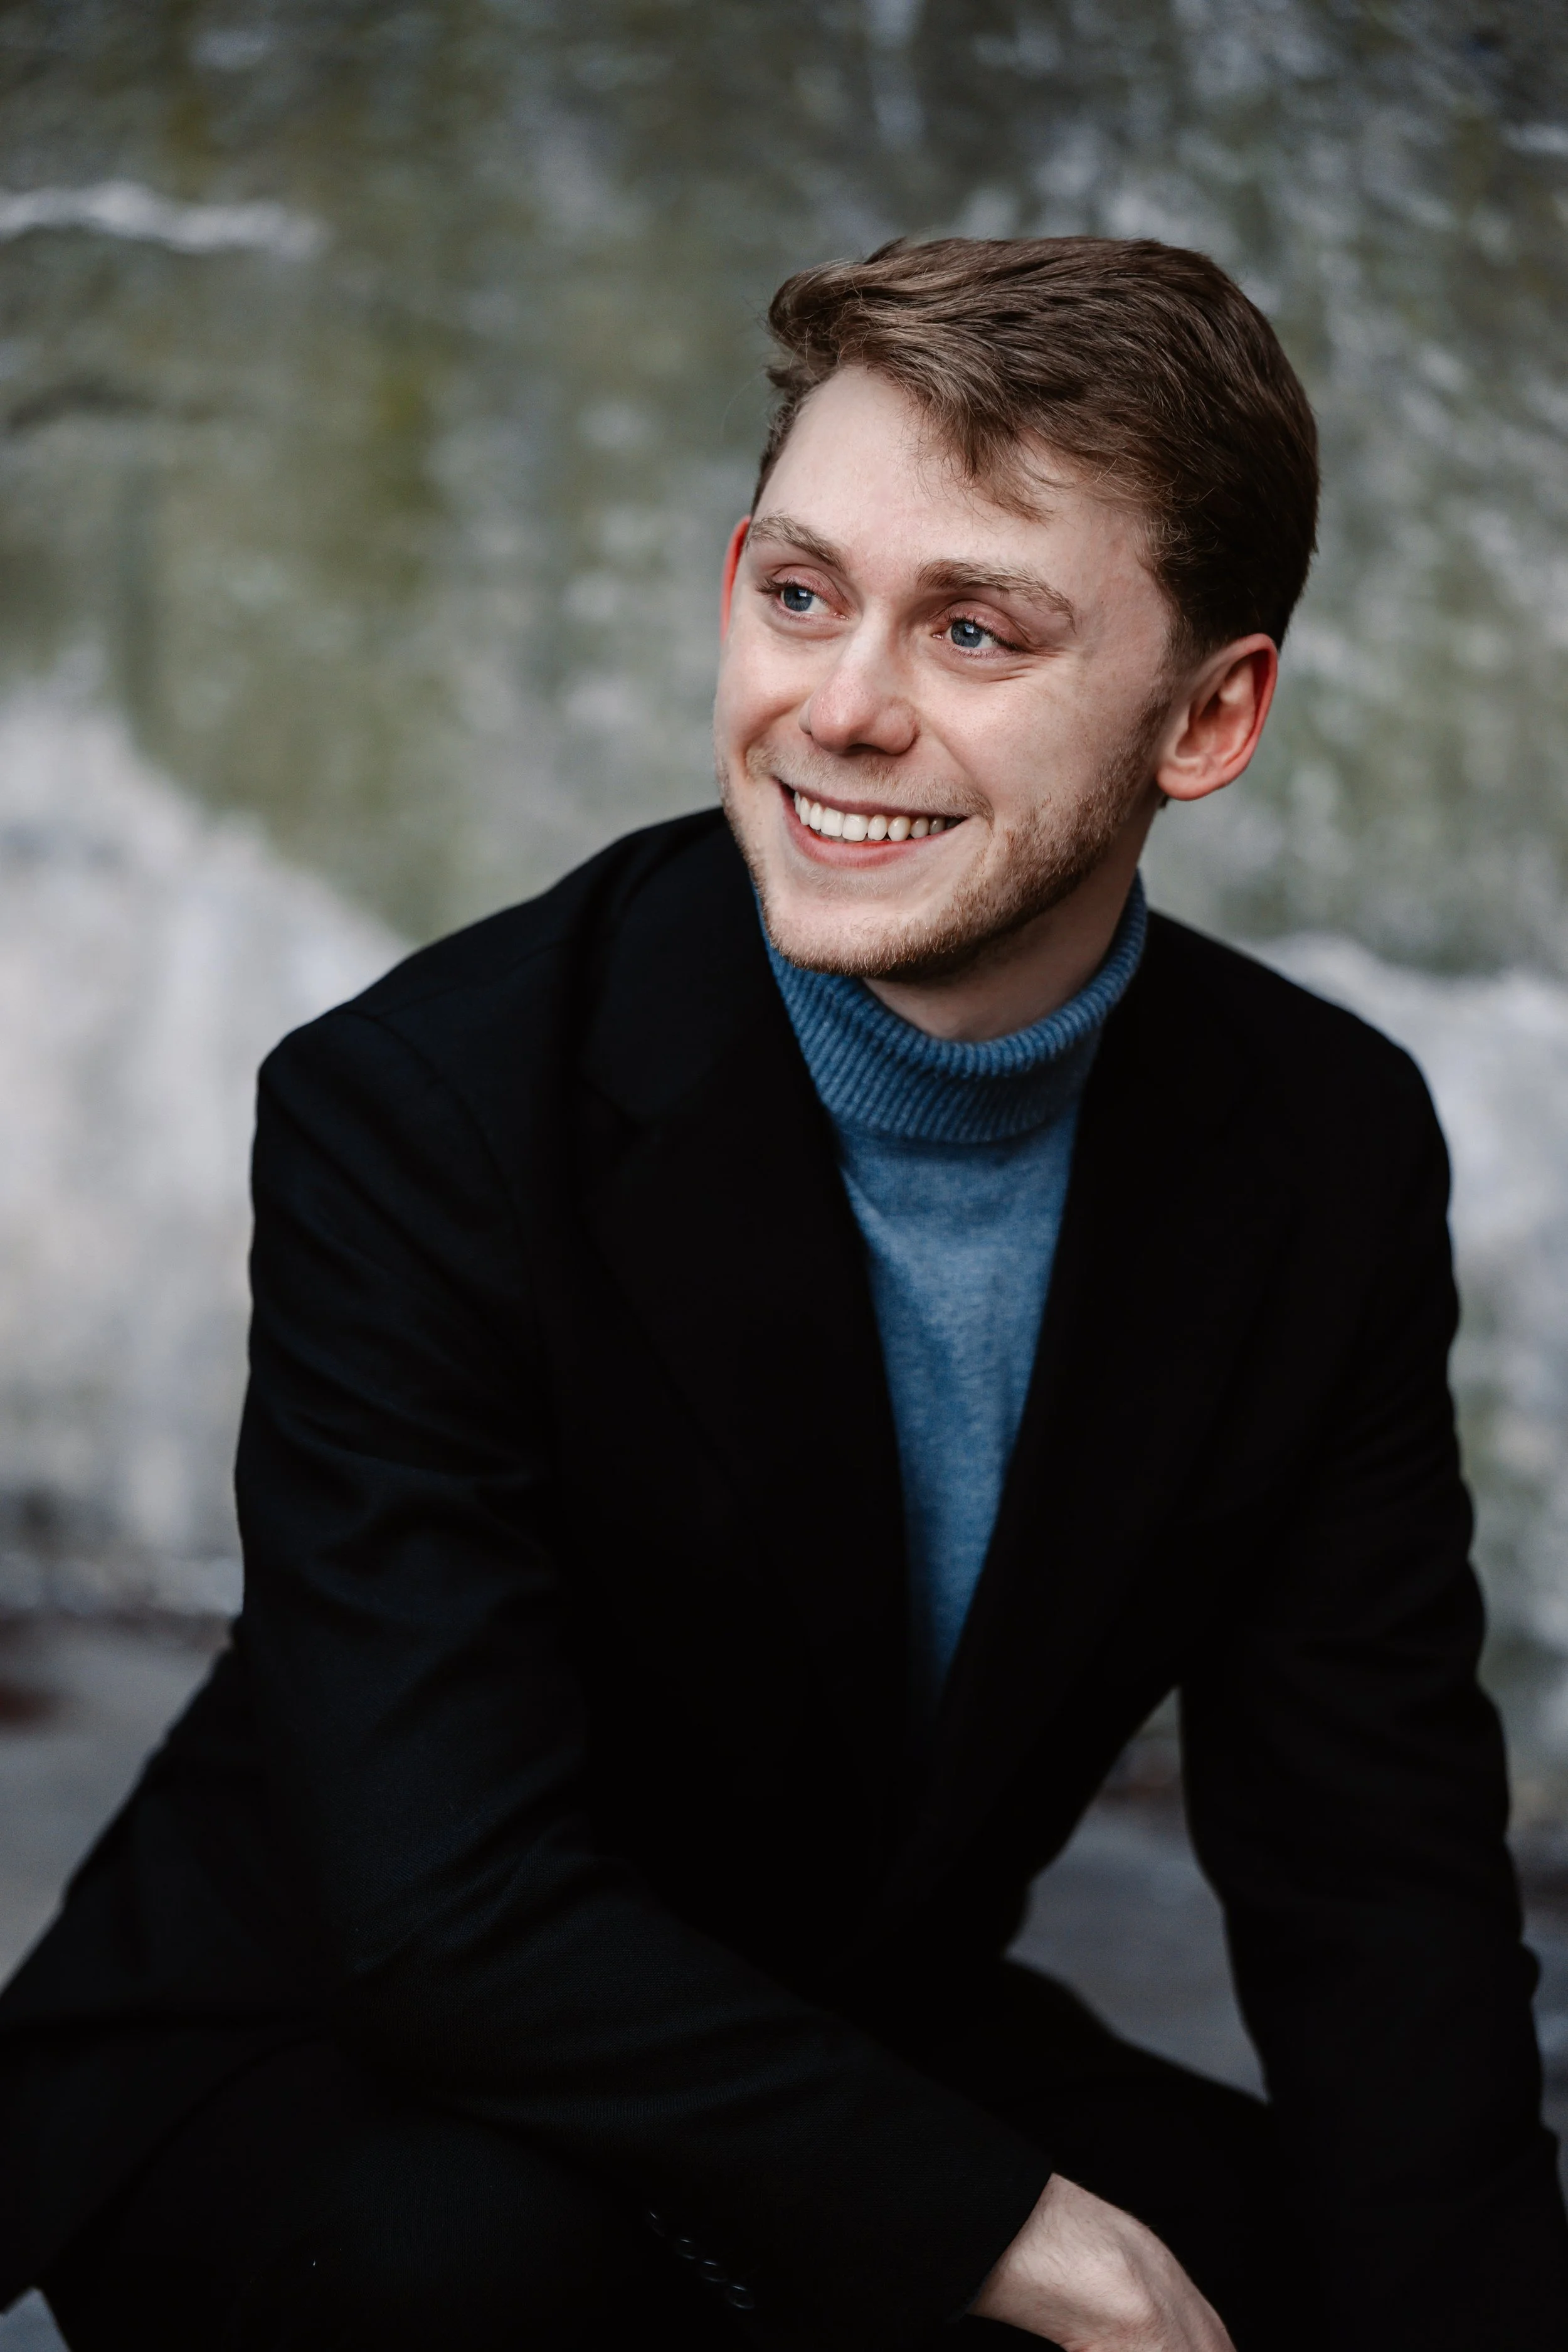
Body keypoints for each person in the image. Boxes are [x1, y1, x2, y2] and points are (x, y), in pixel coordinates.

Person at [0, 235, 1563, 2352]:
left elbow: (1374, 1871)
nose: (839, 707)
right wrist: (1029, 2242)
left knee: (1338, 2276)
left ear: (1208, 716)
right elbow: (445, 1913)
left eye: (974, 627)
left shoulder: (1318, 1143)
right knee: (492, 2270)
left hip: (832, 2023)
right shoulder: (426, 1107)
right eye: (802, 593)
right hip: (319, 2051)